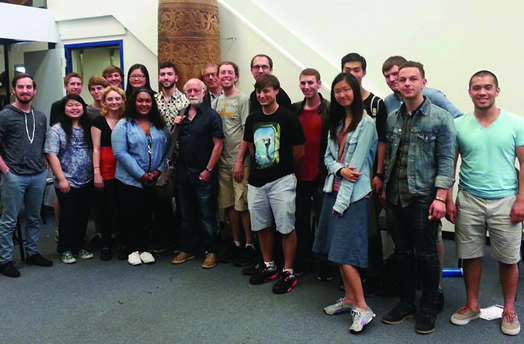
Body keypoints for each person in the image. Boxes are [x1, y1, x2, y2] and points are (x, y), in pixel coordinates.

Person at [380, 61, 455, 334]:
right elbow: (390, 156)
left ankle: (429, 306)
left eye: (413, 79)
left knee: (426, 254)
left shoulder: (440, 117)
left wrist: (441, 197)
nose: (407, 83)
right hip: (396, 197)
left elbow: (447, 160)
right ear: (397, 84)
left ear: (423, 82)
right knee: (401, 254)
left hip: (424, 197)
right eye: (403, 79)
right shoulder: (392, 118)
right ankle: (406, 303)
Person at [447, 71, 523, 336]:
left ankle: (509, 309)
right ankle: (472, 304)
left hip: (506, 201)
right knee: (470, 254)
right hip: (469, 199)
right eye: (477, 88)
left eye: (488, 87)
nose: (482, 92)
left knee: (508, 258)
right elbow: (451, 164)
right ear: (469, 92)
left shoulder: (516, 123)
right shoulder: (459, 125)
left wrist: (521, 200)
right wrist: (449, 197)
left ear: (497, 91)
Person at [313, 72, 377, 333]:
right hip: (333, 190)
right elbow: (328, 159)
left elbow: (357, 168)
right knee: (334, 249)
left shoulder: (367, 123)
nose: (342, 95)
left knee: (345, 252)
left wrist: (340, 202)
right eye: (337, 91)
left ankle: (363, 307)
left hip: (352, 198)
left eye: (346, 90)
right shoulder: (335, 122)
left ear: (355, 90)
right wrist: (339, 171)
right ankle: (349, 298)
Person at [243, 74, 305, 294]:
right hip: (257, 181)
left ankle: (288, 271)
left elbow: (299, 152)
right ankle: (269, 265)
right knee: (261, 225)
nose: (262, 95)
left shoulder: (289, 118)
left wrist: (280, 167)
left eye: (266, 91)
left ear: (276, 91)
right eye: (259, 91)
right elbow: (250, 146)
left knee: (286, 226)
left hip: (282, 180)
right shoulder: (252, 119)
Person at [341, 53, 387, 294]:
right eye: (347, 69)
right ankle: (351, 275)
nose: (352, 73)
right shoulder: (341, 103)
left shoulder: (377, 105)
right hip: (345, 175)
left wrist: (377, 174)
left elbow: (382, 142)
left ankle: (374, 276)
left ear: (364, 73)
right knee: (349, 226)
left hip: (368, 174)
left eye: (356, 70)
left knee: (369, 228)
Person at [0, 73, 52, 278]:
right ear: (14, 90)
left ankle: (31, 253)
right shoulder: (5, 115)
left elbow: (40, 145)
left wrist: (44, 166)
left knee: (33, 217)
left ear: (34, 90)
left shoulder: (40, 116)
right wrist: (6, 172)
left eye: (29, 87)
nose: (25, 91)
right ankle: (5, 260)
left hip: (37, 175)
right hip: (14, 176)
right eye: (20, 87)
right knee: (9, 220)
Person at [112, 88, 170, 266]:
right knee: (131, 214)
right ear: (133, 103)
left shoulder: (159, 125)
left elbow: (167, 149)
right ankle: (131, 249)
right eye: (140, 101)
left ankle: (144, 248)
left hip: (152, 179)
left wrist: (158, 170)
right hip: (129, 180)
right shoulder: (124, 124)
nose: (144, 104)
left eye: (148, 101)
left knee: (146, 215)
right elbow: (120, 153)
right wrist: (140, 174)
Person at [171, 79, 224, 269]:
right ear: (185, 93)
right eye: (189, 90)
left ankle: (211, 251)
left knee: (207, 215)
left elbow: (218, 144)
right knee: (185, 214)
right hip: (183, 173)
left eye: (196, 90)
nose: (193, 93)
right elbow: (172, 142)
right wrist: (174, 125)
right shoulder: (181, 114)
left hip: (203, 173)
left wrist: (208, 170)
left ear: (203, 92)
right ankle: (188, 249)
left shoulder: (211, 116)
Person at [211, 61, 256, 266]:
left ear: (236, 76)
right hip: (222, 162)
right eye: (223, 72)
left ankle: (249, 244)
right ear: (218, 77)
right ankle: (236, 242)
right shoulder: (217, 102)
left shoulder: (243, 99)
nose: (226, 75)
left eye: (230, 72)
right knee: (229, 205)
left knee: (242, 205)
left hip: (240, 162)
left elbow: (247, 131)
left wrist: (240, 161)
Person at [44, 94, 94, 264]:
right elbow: (51, 154)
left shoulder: (88, 127)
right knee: (68, 215)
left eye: (78, 105)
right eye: (70, 105)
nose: (74, 108)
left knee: (82, 214)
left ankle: (79, 245)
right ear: (64, 109)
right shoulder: (56, 129)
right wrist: (62, 179)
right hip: (67, 181)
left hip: (87, 179)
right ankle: (65, 249)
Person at [292, 68, 330, 277]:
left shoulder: (329, 110)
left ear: (318, 84)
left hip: (321, 176)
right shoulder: (295, 109)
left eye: (310, 83)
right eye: (303, 83)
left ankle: (323, 264)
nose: (306, 87)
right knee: (300, 222)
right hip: (298, 177)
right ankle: (303, 261)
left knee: (323, 224)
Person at [152, 61, 190, 253]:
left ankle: (180, 241)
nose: (165, 77)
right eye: (162, 74)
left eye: (169, 74)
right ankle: (164, 239)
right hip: (158, 157)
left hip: (180, 156)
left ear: (176, 77)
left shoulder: (185, 101)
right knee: (162, 198)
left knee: (182, 200)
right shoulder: (154, 101)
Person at [91, 86, 126, 261]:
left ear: (122, 101)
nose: (114, 102)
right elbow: (96, 149)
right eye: (110, 99)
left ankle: (122, 243)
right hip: (105, 170)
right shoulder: (98, 121)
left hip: (124, 169)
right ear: (104, 101)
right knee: (106, 209)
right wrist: (97, 172)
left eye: (117, 99)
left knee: (122, 208)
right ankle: (105, 244)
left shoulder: (126, 120)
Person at [382, 56, 462, 118]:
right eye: (387, 76)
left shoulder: (433, 96)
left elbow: (458, 119)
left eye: (395, 74)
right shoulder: (388, 101)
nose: (391, 79)